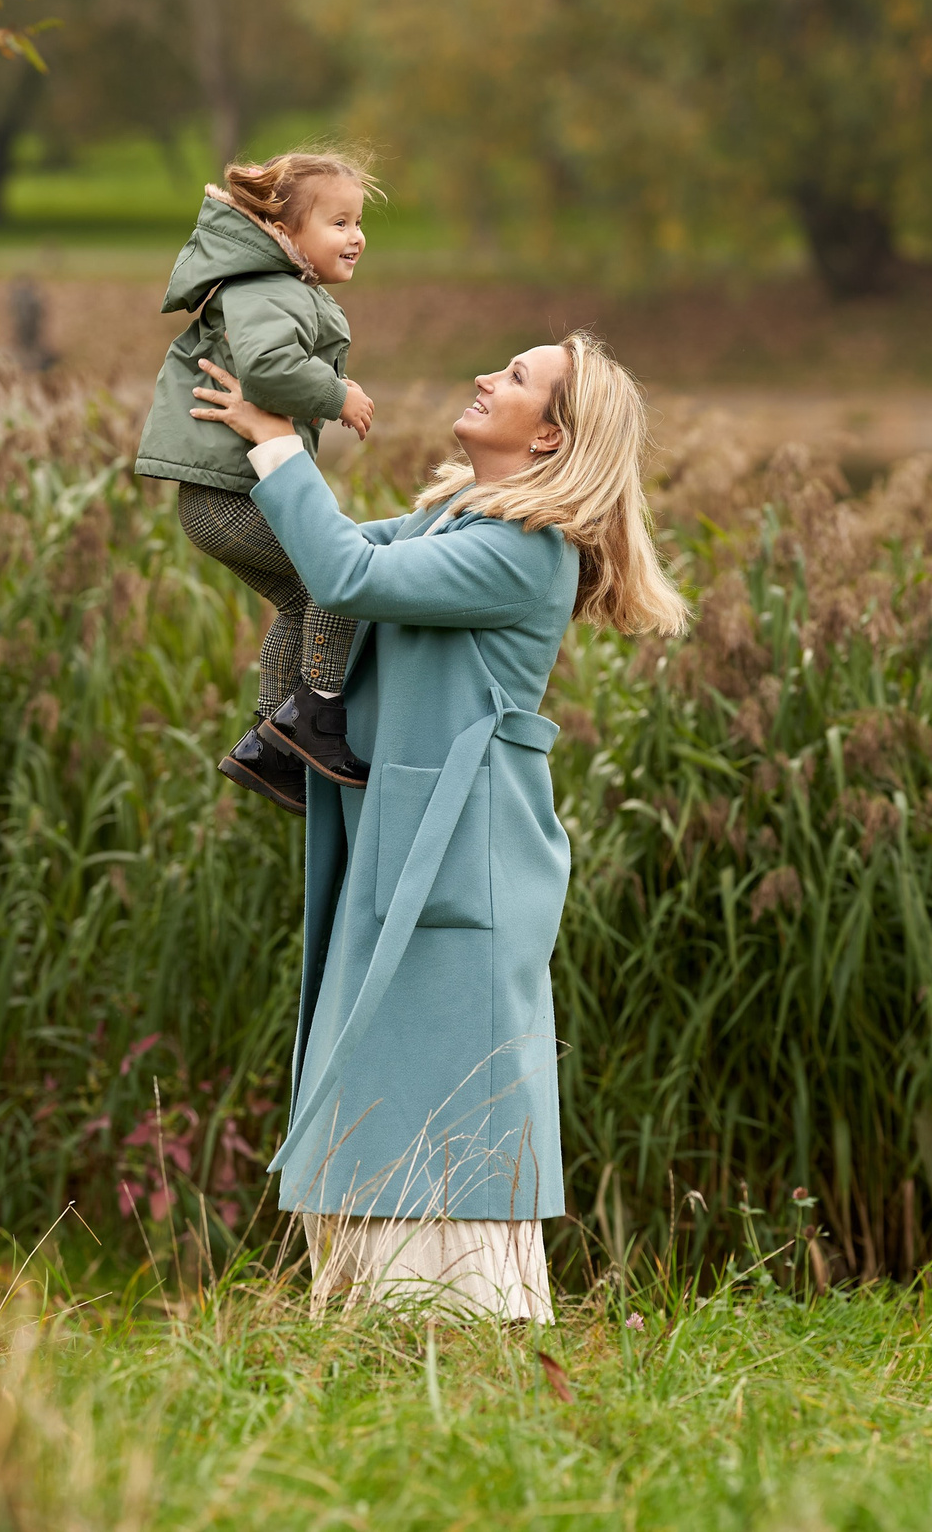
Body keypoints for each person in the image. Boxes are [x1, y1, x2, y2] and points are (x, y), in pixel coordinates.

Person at [189, 331, 690, 1322]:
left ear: (549, 436)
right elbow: (322, 554)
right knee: (385, 1060)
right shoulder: (456, 518)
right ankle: (378, 1311)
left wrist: (278, 443)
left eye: (516, 377)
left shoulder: (524, 552)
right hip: (414, 831)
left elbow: (346, 575)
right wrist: (229, 453)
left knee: (441, 1073)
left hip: (461, 848)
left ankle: (460, 1314)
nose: (486, 378)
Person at [132, 151, 381, 817]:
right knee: (336, 579)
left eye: (358, 222)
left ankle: (272, 743)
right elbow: (269, 369)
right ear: (284, 230)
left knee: (302, 602)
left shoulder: (279, 286)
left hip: (223, 499)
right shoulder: (268, 287)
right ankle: (316, 712)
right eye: (338, 222)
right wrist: (338, 394)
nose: (356, 236)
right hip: (229, 496)